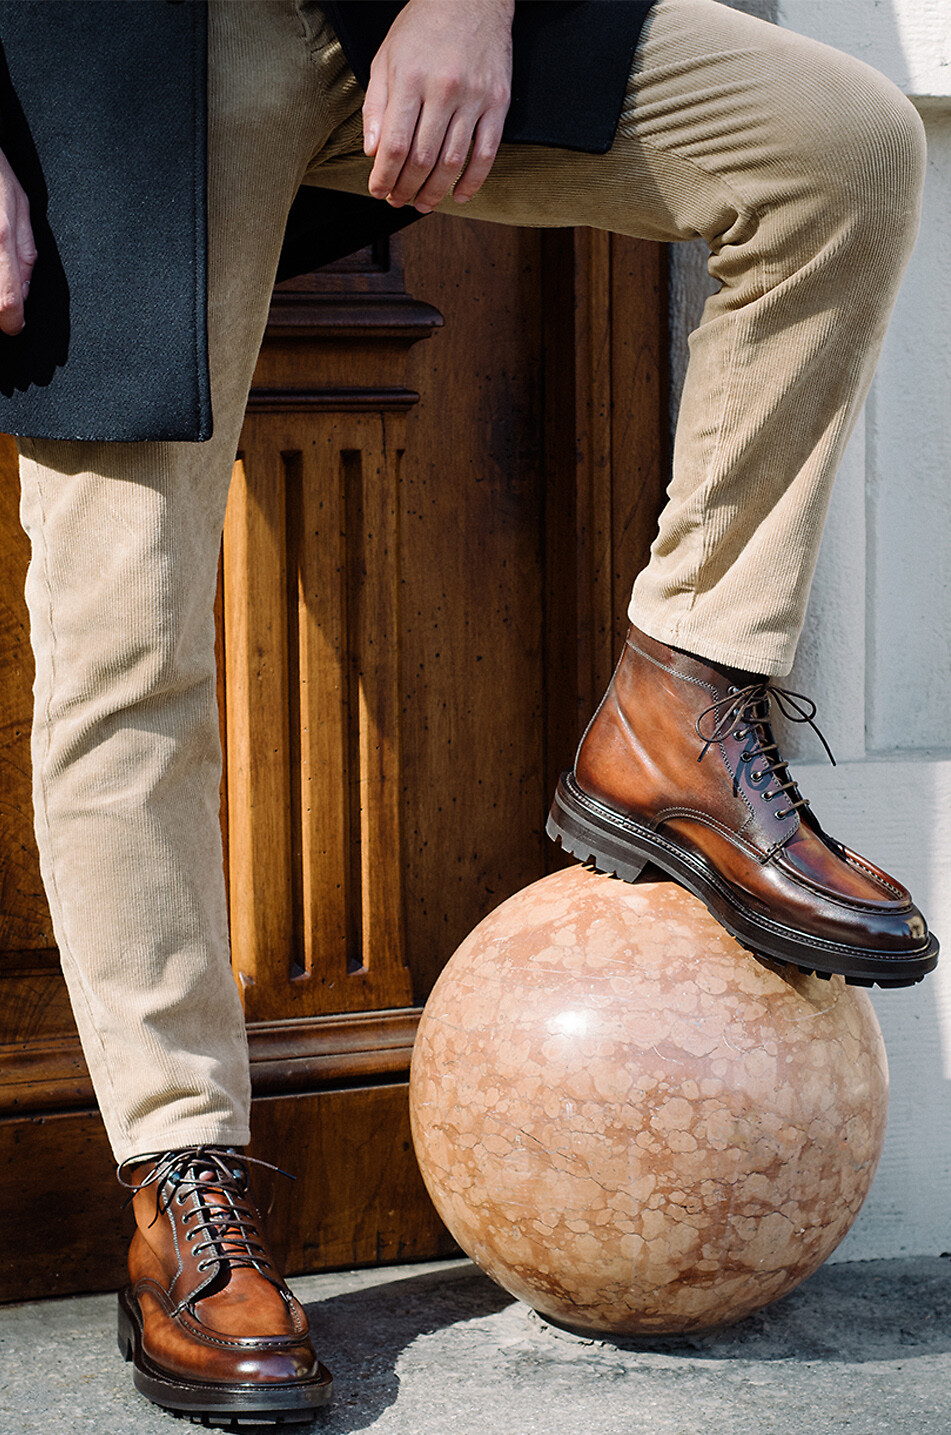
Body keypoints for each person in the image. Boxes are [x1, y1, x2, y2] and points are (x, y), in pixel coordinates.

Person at [0, 0, 938, 1421]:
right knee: (119, 641)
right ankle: (180, 1177)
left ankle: (681, 699)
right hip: (102, 58)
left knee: (833, 147)